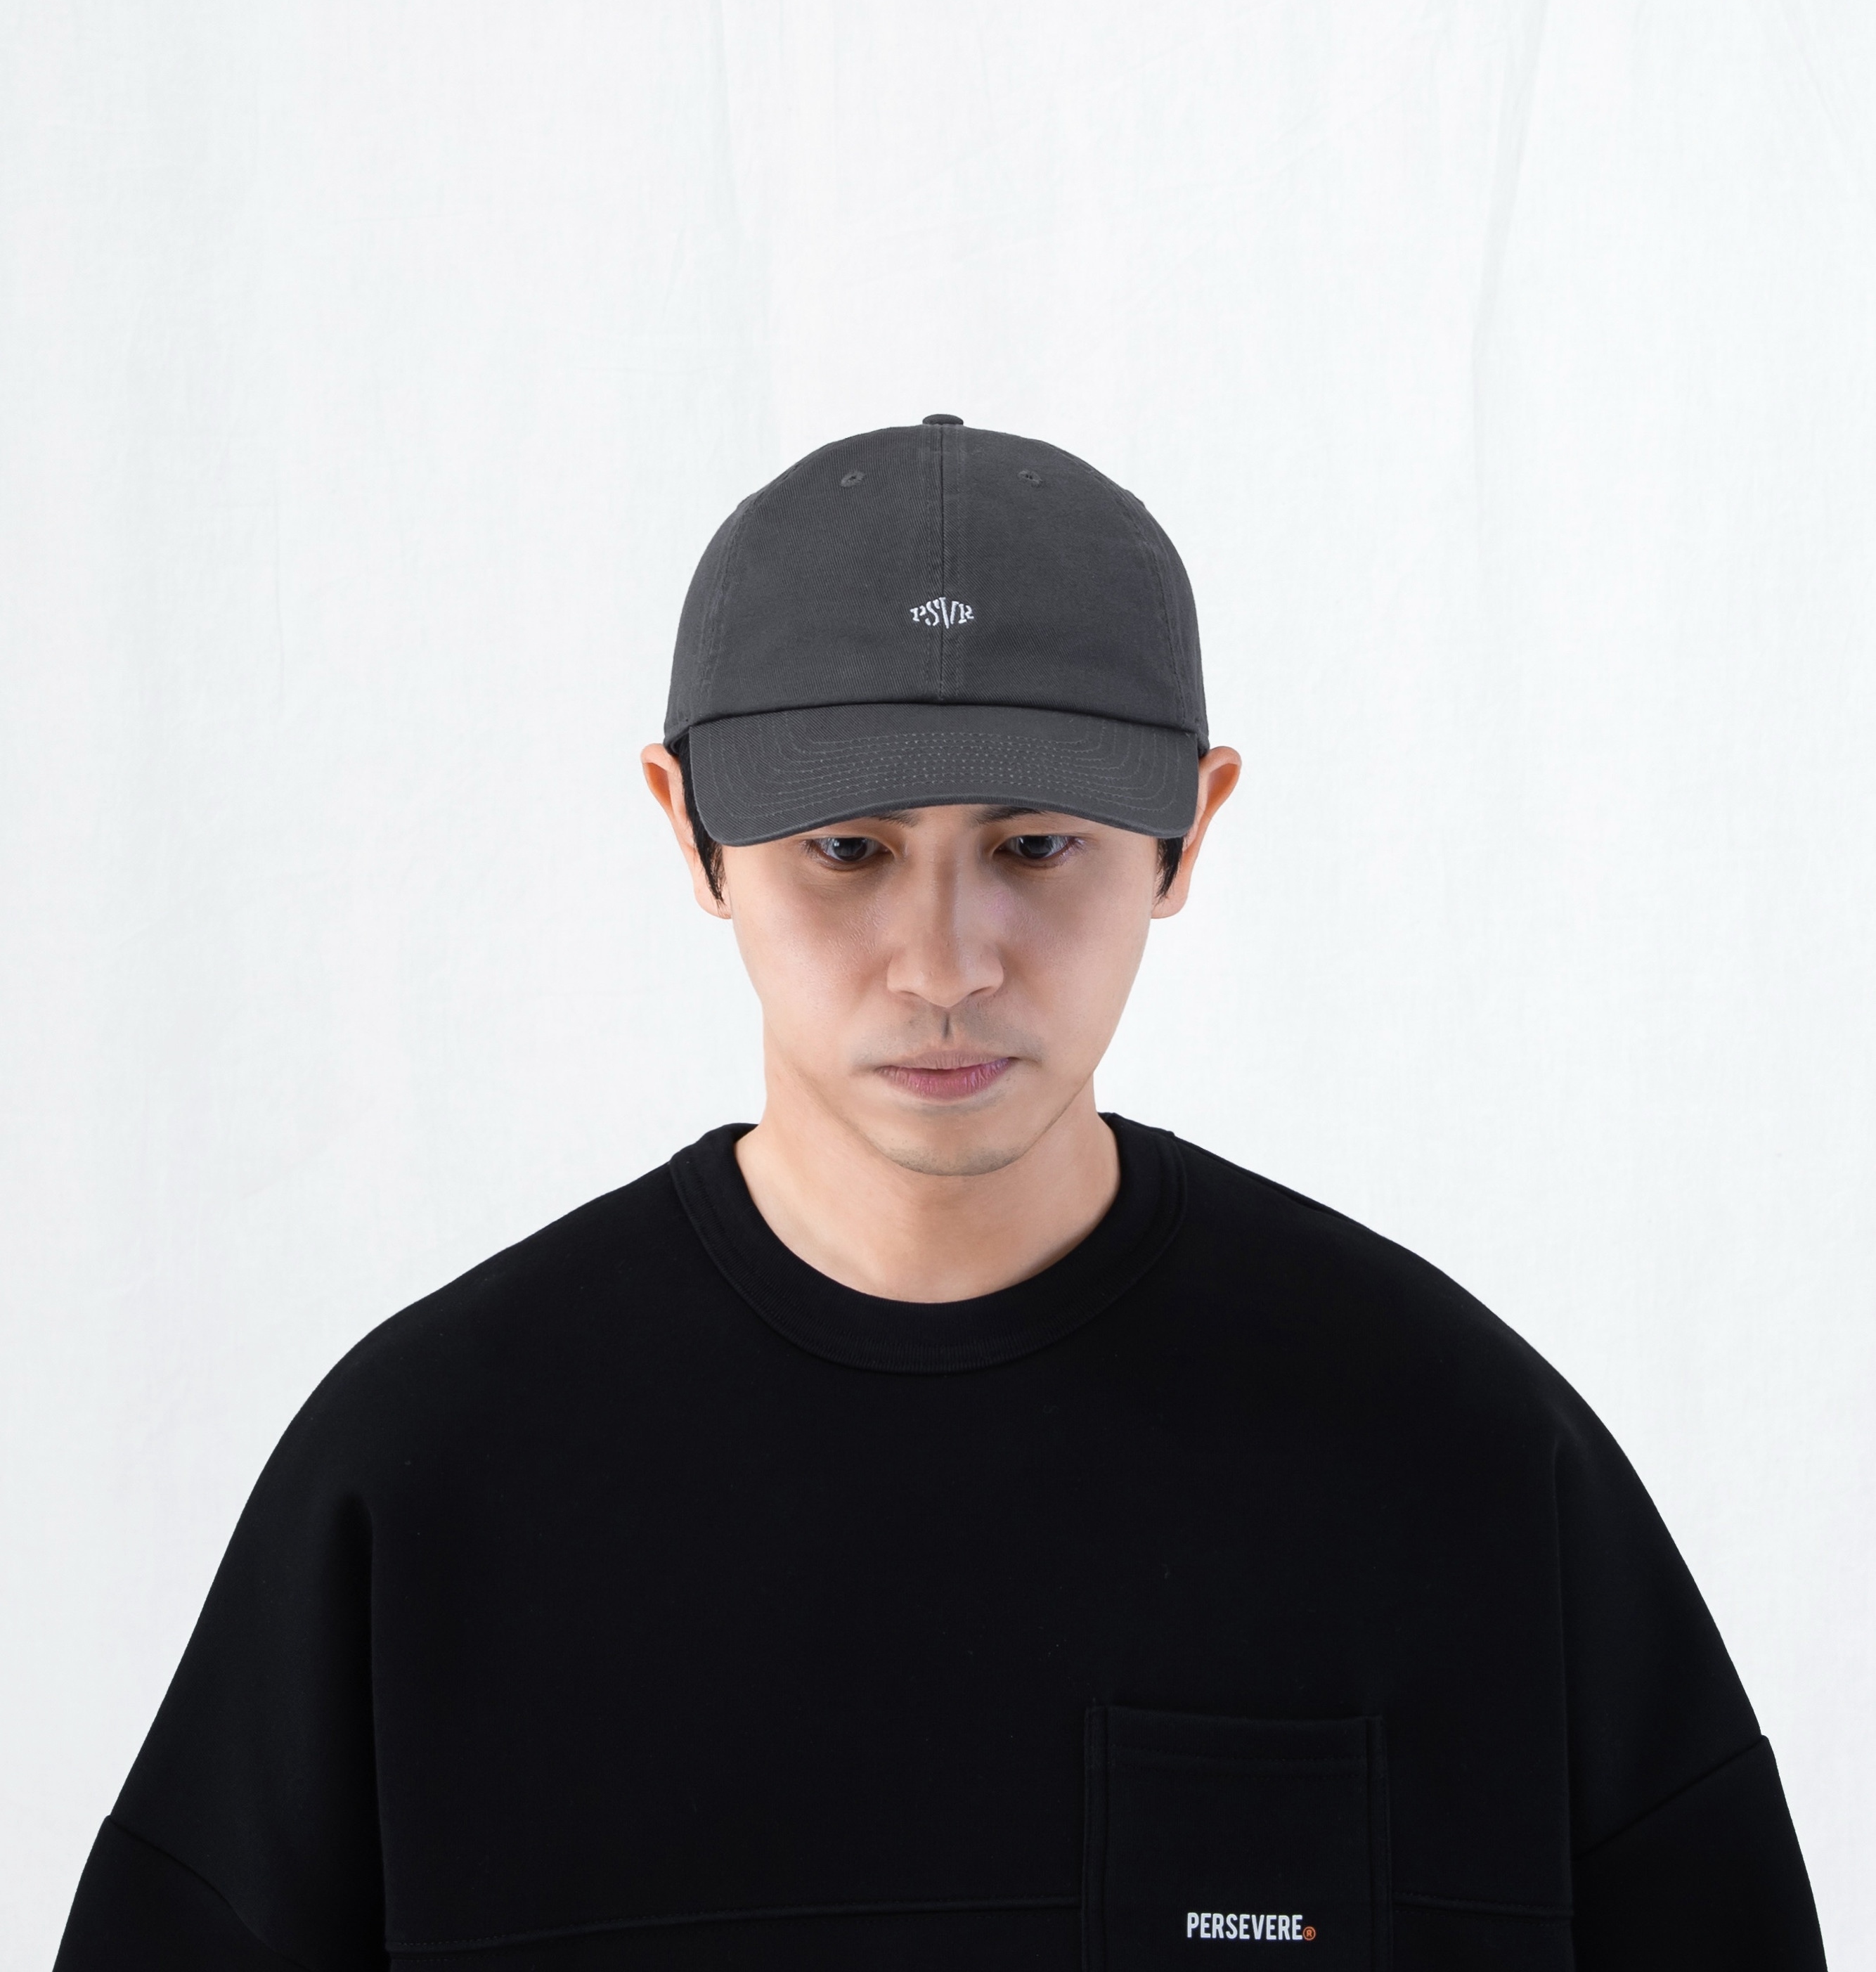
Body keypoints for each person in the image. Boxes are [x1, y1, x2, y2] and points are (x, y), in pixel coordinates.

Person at [56, 416, 1825, 1971]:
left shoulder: (1457, 1457)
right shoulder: (427, 1477)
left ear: (1189, 829)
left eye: (1036, 844)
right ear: (689, 831)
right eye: (848, 849)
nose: (946, 961)